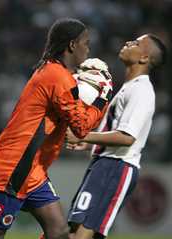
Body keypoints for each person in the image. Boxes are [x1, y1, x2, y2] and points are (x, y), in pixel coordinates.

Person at [0, 18, 112, 239]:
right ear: (72, 45)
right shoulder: (58, 78)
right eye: (86, 42)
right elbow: (82, 127)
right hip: (13, 169)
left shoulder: (53, 71)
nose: (89, 48)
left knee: (58, 232)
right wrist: (102, 98)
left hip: (33, 170)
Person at [66, 33, 167, 239]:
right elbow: (115, 131)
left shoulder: (142, 91)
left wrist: (84, 136)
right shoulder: (129, 87)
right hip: (105, 163)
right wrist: (88, 145)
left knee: (81, 234)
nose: (129, 43)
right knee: (76, 231)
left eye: (137, 43)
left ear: (145, 58)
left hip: (116, 167)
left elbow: (127, 137)